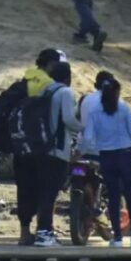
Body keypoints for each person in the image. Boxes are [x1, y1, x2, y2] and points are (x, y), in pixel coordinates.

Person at [81, 78, 131, 248]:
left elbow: (88, 137)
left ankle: (118, 238)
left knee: (113, 197)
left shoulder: (95, 112)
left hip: (107, 158)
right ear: (117, 92)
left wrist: (79, 153)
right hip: (126, 157)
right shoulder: (124, 109)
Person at [13, 47, 67, 245]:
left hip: (20, 145)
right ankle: (44, 231)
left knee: (25, 187)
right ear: (52, 64)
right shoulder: (49, 85)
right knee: (45, 189)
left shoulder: (26, 80)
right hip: (41, 146)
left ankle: (25, 233)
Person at [34, 61, 83, 247]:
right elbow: (69, 120)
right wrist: (85, 129)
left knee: (44, 191)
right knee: (50, 192)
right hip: (57, 151)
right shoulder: (65, 92)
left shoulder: (43, 91)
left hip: (39, 148)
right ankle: (44, 234)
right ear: (68, 77)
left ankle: (44, 231)